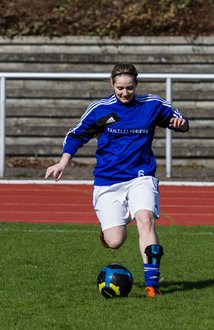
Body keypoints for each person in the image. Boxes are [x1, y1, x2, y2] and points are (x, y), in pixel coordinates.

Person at [45, 63, 189, 298]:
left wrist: (181, 124)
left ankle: (152, 284)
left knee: (145, 219)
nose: (124, 93)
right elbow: (76, 135)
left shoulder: (151, 105)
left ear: (136, 85)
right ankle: (108, 234)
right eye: (120, 88)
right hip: (108, 181)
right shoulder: (100, 110)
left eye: (129, 88)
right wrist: (63, 162)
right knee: (115, 241)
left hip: (141, 176)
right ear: (111, 84)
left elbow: (178, 119)